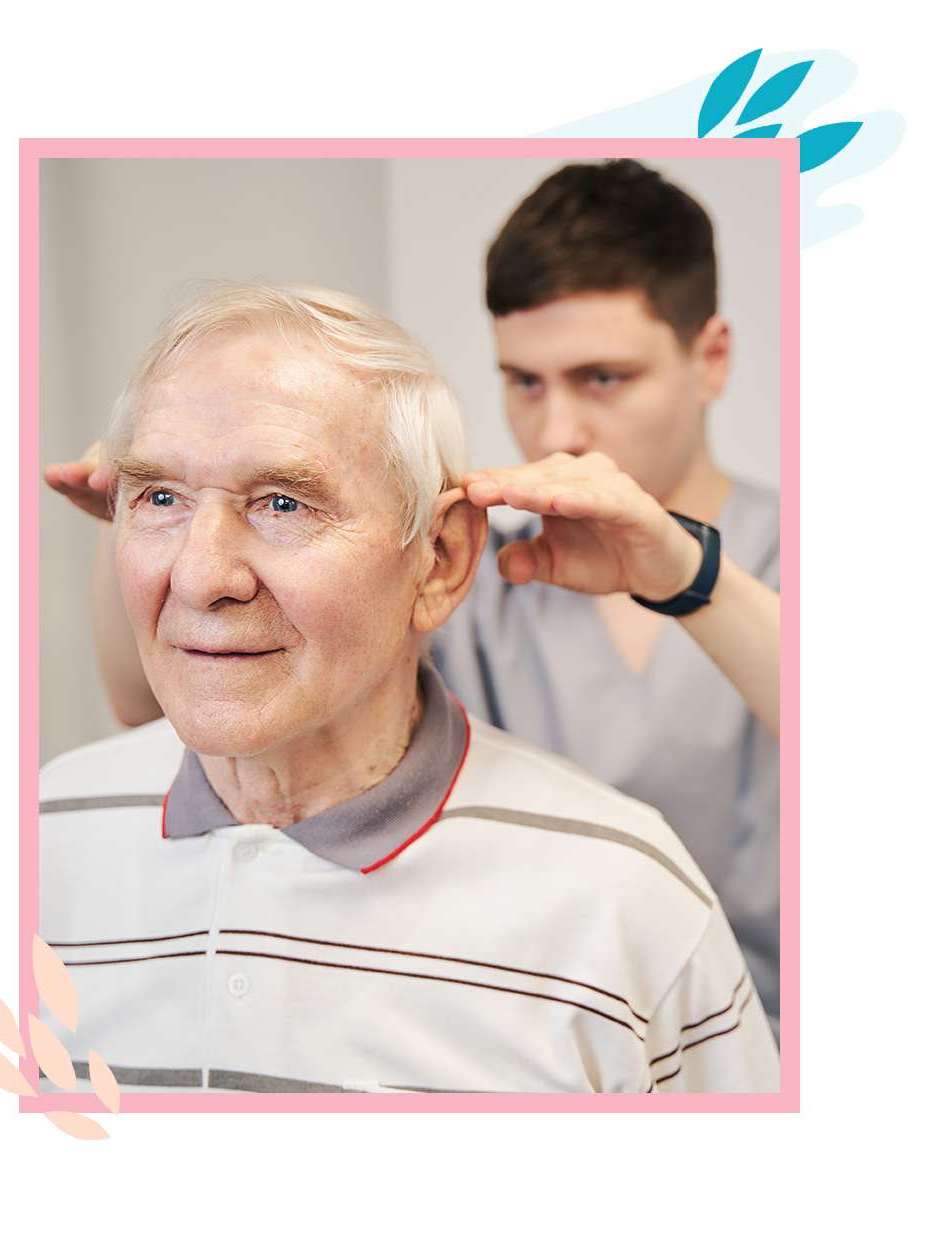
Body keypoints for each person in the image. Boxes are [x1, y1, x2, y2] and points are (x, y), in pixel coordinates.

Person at [45, 159, 781, 1036]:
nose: (558, 431)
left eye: (604, 379)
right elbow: (169, 704)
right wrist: (146, 508)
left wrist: (684, 576)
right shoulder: (484, 571)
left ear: (712, 358)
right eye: (524, 382)